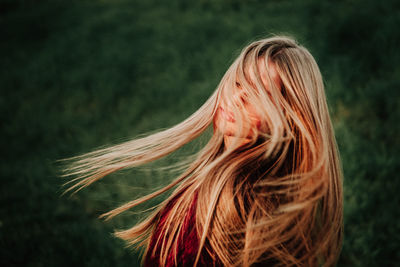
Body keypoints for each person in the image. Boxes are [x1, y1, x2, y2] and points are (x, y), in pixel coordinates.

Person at [64, 36, 343, 266]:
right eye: (237, 82)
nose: (236, 97)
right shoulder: (226, 183)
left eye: (257, 93)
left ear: (290, 115)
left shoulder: (241, 203)